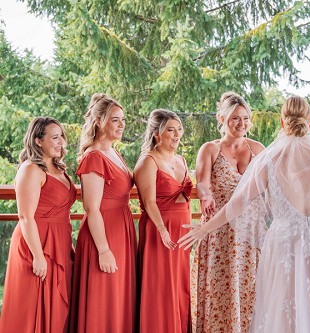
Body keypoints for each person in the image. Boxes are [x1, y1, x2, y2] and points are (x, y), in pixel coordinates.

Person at [180, 96, 310, 332]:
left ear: (282, 122)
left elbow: (238, 203)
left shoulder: (269, 160)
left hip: (284, 245)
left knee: (284, 309)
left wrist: (204, 228)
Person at [190, 91, 265, 332]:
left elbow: (270, 183)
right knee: (220, 288)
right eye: (235, 118)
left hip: (251, 231)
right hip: (220, 231)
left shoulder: (258, 149)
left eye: (245, 118)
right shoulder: (210, 149)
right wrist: (206, 194)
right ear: (222, 120)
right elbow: (201, 181)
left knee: (251, 286)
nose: (241, 124)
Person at [0, 117, 76, 332]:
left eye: (62, 136)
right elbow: (25, 216)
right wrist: (38, 256)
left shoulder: (58, 168)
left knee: (58, 308)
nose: (61, 141)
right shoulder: (31, 169)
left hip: (59, 241)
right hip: (36, 244)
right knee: (33, 306)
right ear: (38, 141)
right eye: (55, 137)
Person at [69, 93, 137, 332]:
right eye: (115, 120)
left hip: (122, 230)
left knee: (118, 297)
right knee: (103, 298)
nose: (122, 125)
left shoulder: (115, 153)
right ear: (99, 121)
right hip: (103, 236)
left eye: (123, 120)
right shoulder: (93, 157)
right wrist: (104, 250)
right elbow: (91, 208)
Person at [134, 109, 193, 332]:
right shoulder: (147, 161)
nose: (177, 134)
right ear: (157, 134)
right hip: (160, 231)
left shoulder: (181, 159)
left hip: (182, 233)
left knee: (179, 286)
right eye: (171, 130)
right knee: (161, 286)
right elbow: (149, 202)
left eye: (179, 129)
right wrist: (162, 230)